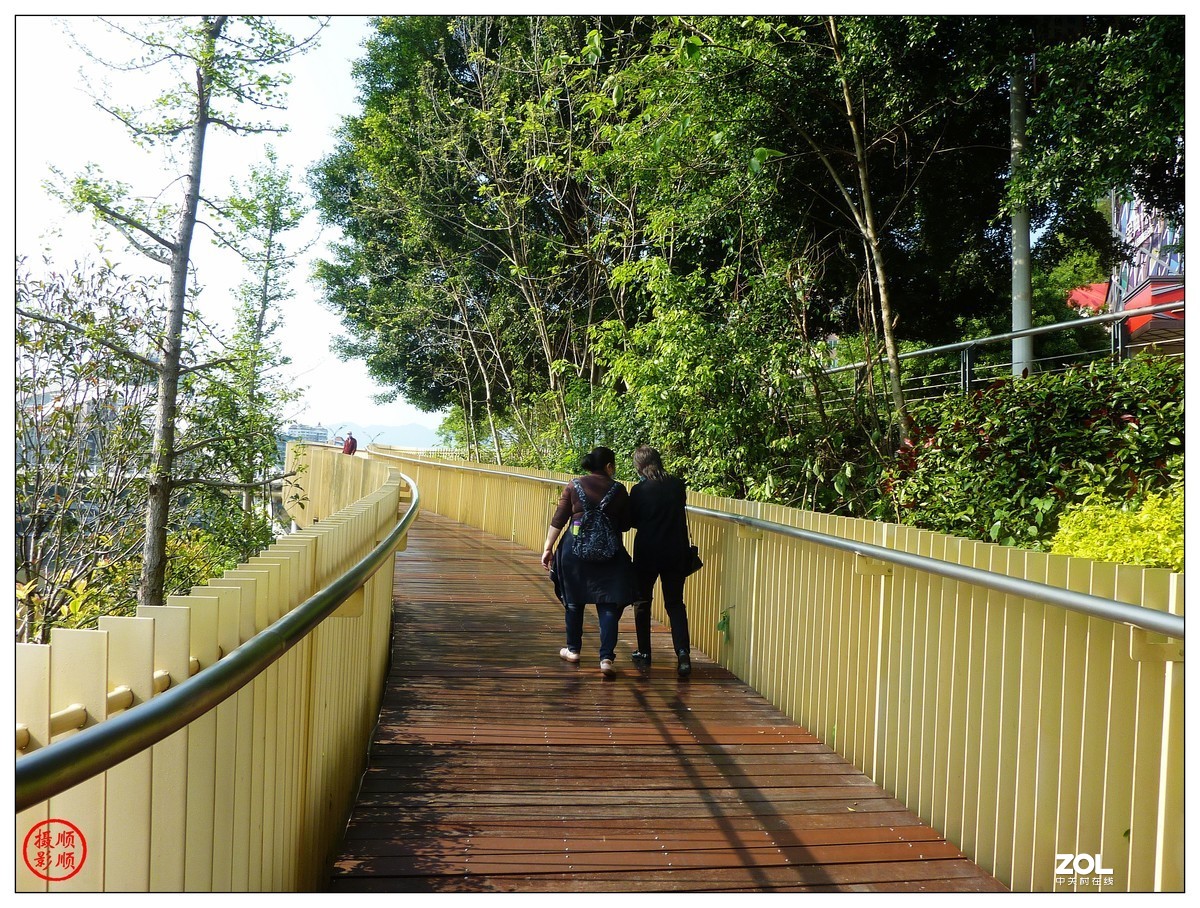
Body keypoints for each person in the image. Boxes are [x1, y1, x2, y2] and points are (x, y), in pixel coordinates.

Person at [541, 446, 638, 677]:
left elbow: (559, 518)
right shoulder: (619, 489)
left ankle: (573, 650)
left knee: (574, 601)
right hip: (609, 554)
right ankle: (606, 658)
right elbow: (625, 525)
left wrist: (547, 547)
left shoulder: (574, 485)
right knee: (608, 604)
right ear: (609, 467)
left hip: (573, 552)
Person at [628, 445, 693, 677]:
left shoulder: (638, 490)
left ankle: (644, 652)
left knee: (642, 601)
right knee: (675, 603)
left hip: (647, 552)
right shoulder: (677, 485)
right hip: (675, 551)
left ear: (640, 466)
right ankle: (683, 653)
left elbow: (632, 522)